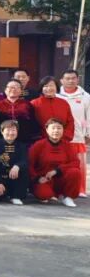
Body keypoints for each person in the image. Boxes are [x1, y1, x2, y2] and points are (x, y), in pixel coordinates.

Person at [29, 119, 81, 207]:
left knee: (75, 172)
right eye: (53, 128)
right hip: (44, 179)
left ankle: (67, 197)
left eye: (59, 128)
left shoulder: (68, 145)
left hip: (61, 178)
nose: (56, 131)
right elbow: (29, 164)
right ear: (47, 130)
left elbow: (75, 162)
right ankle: (52, 195)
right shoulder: (39, 145)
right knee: (44, 194)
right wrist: (37, 178)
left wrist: (57, 171)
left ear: (63, 130)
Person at [57, 69, 90, 198]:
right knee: (61, 164)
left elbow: (88, 117)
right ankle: (60, 189)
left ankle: (80, 189)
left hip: (78, 136)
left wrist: (88, 133)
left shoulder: (85, 97)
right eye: (67, 78)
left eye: (73, 78)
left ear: (78, 79)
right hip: (59, 136)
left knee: (79, 164)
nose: (70, 81)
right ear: (62, 80)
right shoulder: (57, 95)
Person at [0, 120, 29, 205]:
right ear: (2, 131)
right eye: (8, 130)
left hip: (14, 178)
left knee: (24, 169)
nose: (11, 133)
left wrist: (17, 166)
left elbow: (25, 160)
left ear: (17, 132)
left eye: (13, 130)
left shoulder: (22, 146)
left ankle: (16, 196)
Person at [31, 76, 75, 145]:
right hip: (41, 141)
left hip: (62, 140)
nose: (49, 88)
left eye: (51, 85)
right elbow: (31, 124)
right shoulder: (34, 103)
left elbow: (70, 122)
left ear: (56, 87)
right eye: (45, 86)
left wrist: (64, 136)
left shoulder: (63, 103)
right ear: (41, 88)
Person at [0, 80, 38, 146]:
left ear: (21, 91)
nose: (13, 89)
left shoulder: (27, 104)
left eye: (16, 87)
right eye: (11, 87)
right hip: (2, 139)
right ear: (5, 90)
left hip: (23, 140)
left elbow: (33, 122)